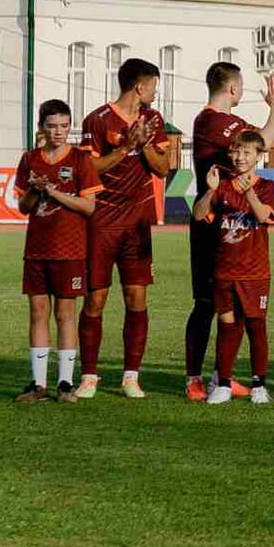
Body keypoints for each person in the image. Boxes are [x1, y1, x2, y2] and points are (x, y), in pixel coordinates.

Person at [186, 56, 274, 402]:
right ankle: (194, 378)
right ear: (232, 88)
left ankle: (223, 378)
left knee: (238, 312)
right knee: (206, 303)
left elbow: (268, 141)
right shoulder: (212, 120)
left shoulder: (229, 123)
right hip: (211, 223)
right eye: (241, 86)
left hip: (234, 224)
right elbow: (266, 137)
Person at [79, 57, 180, 399]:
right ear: (140, 86)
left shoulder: (153, 120)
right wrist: (125, 147)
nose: (155, 91)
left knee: (136, 297)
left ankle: (131, 377)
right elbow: (89, 169)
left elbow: (164, 168)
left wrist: (145, 143)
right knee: (95, 299)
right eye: (153, 84)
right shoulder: (97, 119)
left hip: (137, 223)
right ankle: (89, 376)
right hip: (102, 221)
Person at [13, 100, 100, 403]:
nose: (59, 132)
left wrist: (52, 191)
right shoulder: (30, 159)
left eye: (64, 125)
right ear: (42, 128)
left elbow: (89, 207)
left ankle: (65, 383)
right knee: (37, 312)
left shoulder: (80, 161)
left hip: (70, 250)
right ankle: (38, 384)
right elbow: (23, 207)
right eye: (52, 126)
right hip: (36, 250)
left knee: (65, 313)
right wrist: (36, 191)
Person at [192, 130, 274, 405]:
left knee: (256, 325)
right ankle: (224, 384)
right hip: (225, 271)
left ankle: (259, 384)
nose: (240, 157)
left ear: (258, 156)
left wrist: (249, 192)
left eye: (247, 152)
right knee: (227, 324)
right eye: (236, 151)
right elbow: (198, 215)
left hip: (255, 273)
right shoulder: (223, 186)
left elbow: (265, 216)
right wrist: (210, 190)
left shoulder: (266, 186)